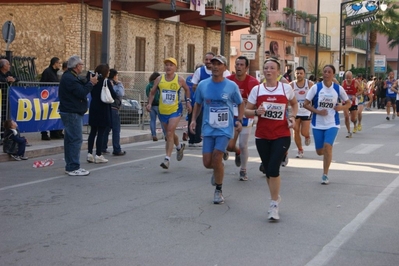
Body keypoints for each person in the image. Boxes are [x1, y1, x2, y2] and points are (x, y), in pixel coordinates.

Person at [245, 57, 298, 221]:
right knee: (268, 170)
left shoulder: (285, 88)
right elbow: (246, 111)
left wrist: (293, 117)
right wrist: (255, 113)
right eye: (266, 68)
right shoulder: (257, 90)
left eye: (272, 68)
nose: (268, 71)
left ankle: (274, 204)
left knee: (274, 169)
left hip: (281, 134)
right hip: (262, 135)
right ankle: (275, 195)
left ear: (278, 71)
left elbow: (294, 104)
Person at [190, 55, 244, 204]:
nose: (215, 66)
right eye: (213, 64)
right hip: (208, 128)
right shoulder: (203, 85)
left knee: (217, 155)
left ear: (225, 68)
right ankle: (218, 168)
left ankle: (218, 190)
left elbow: (240, 103)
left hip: (224, 129)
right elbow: (198, 104)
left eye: (218, 64)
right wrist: (193, 120)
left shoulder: (231, 86)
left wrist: (239, 120)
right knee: (207, 163)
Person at [304, 65, 350, 185]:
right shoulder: (316, 88)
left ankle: (325, 175)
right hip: (317, 123)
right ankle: (327, 155)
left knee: (328, 147)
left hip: (332, 123)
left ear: (333, 74)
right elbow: (305, 104)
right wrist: (318, 111)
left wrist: (341, 107)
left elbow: (349, 103)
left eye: (329, 72)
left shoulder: (338, 88)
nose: (326, 74)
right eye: (325, 71)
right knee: (320, 151)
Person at [146, 58, 192, 169]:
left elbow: (187, 90)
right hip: (163, 111)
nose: (168, 67)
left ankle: (167, 159)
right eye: (166, 65)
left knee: (170, 132)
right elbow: (152, 93)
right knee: (168, 134)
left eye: (171, 65)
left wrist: (188, 102)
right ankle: (179, 146)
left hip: (175, 110)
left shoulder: (179, 79)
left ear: (175, 67)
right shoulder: (159, 79)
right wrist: (149, 104)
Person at [59, 55, 98, 176]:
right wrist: (91, 83)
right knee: (75, 139)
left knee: (70, 140)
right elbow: (81, 92)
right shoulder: (69, 78)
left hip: (72, 111)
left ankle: (70, 165)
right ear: (76, 66)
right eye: (81, 64)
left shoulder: (72, 77)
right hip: (72, 112)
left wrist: (88, 81)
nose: (82, 67)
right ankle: (73, 167)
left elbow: (81, 85)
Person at [226, 56, 259, 181]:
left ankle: (243, 170)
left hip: (246, 116)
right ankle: (237, 152)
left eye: (241, 65)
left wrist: (253, 109)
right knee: (229, 146)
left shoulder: (253, 83)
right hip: (230, 116)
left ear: (246, 68)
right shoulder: (228, 81)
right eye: (237, 64)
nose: (238, 67)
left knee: (243, 144)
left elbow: (258, 101)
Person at [87, 64, 116, 164]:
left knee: (93, 132)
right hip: (103, 107)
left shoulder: (94, 81)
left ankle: (89, 153)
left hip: (94, 106)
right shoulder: (106, 81)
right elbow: (114, 95)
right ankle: (98, 154)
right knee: (101, 132)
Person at [291, 66, 314, 158]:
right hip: (295, 111)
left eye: (301, 73)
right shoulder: (291, 85)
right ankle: (300, 150)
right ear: (294, 74)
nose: (299, 75)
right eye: (297, 73)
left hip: (306, 111)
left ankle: (307, 136)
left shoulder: (310, 84)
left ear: (304, 74)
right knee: (295, 131)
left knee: (303, 132)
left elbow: (316, 96)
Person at [103, 68, 126, 156]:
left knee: (106, 129)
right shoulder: (115, 84)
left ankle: (103, 147)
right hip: (113, 108)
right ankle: (116, 149)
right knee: (116, 129)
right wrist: (119, 84)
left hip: (107, 108)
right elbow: (120, 93)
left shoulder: (105, 83)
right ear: (114, 76)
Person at [40, 57, 64, 140]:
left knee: (53, 115)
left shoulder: (54, 72)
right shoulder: (47, 72)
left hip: (54, 97)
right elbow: (43, 84)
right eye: (59, 63)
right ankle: (44, 133)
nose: (60, 65)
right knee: (46, 116)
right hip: (48, 98)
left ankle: (54, 133)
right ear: (55, 63)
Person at [0, 59, 19, 145]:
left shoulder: (8, 73)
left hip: (6, 98)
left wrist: (13, 79)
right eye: (8, 64)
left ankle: (5, 135)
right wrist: (6, 80)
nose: (9, 66)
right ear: (3, 66)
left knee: (6, 117)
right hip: (1, 98)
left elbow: (16, 78)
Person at [186, 63, 204, 147]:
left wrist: (187, 101)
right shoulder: (200, 79)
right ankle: (197, 139)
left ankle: (191, 139)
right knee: (198, 121)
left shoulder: (189, 78)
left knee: (191, 120)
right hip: (198, 103)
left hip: (192, 102)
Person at [145, 72, 165, 141]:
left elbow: (148, 94)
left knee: (152, 120)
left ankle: (153, 134)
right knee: (162, 120)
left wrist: (148, 103)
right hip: (159, 104)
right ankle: (165, 135)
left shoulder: (148, 85)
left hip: (151, 104)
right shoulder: (159, 85)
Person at [341, 71, 361, 138]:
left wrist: (355, 95)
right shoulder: (343, 82)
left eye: (349, 78)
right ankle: (349, 132)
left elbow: (361, 90)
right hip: (345, 102)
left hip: (353, 102)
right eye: (347, 78)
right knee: (346, 117)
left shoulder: (355, 82)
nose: (348, 79)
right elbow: (341, 91)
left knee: (352, 119)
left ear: (352, 77)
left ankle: (355, 123)